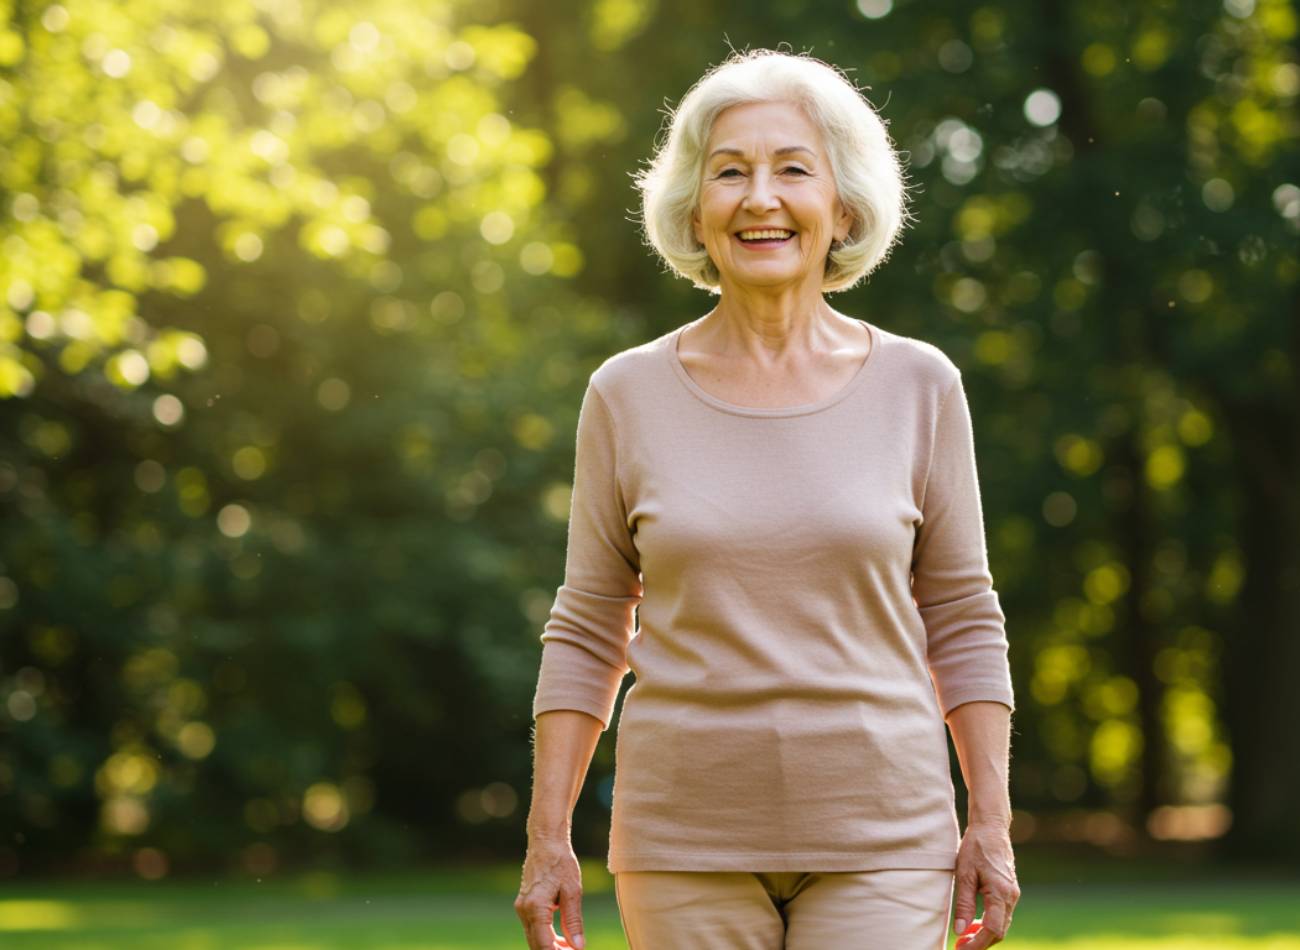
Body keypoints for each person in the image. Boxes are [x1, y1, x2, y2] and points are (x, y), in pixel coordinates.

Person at [515, 47, 1021, 950]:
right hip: (682, 841)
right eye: (729, 172)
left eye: (793, 168)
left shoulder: (921, 386)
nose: (760, 198)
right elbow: (590, 622)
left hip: (886, 836)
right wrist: (547, 838)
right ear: (694, 210)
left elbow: (962, 614)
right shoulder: (625, 395)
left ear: (843, 202)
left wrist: (991, 822)